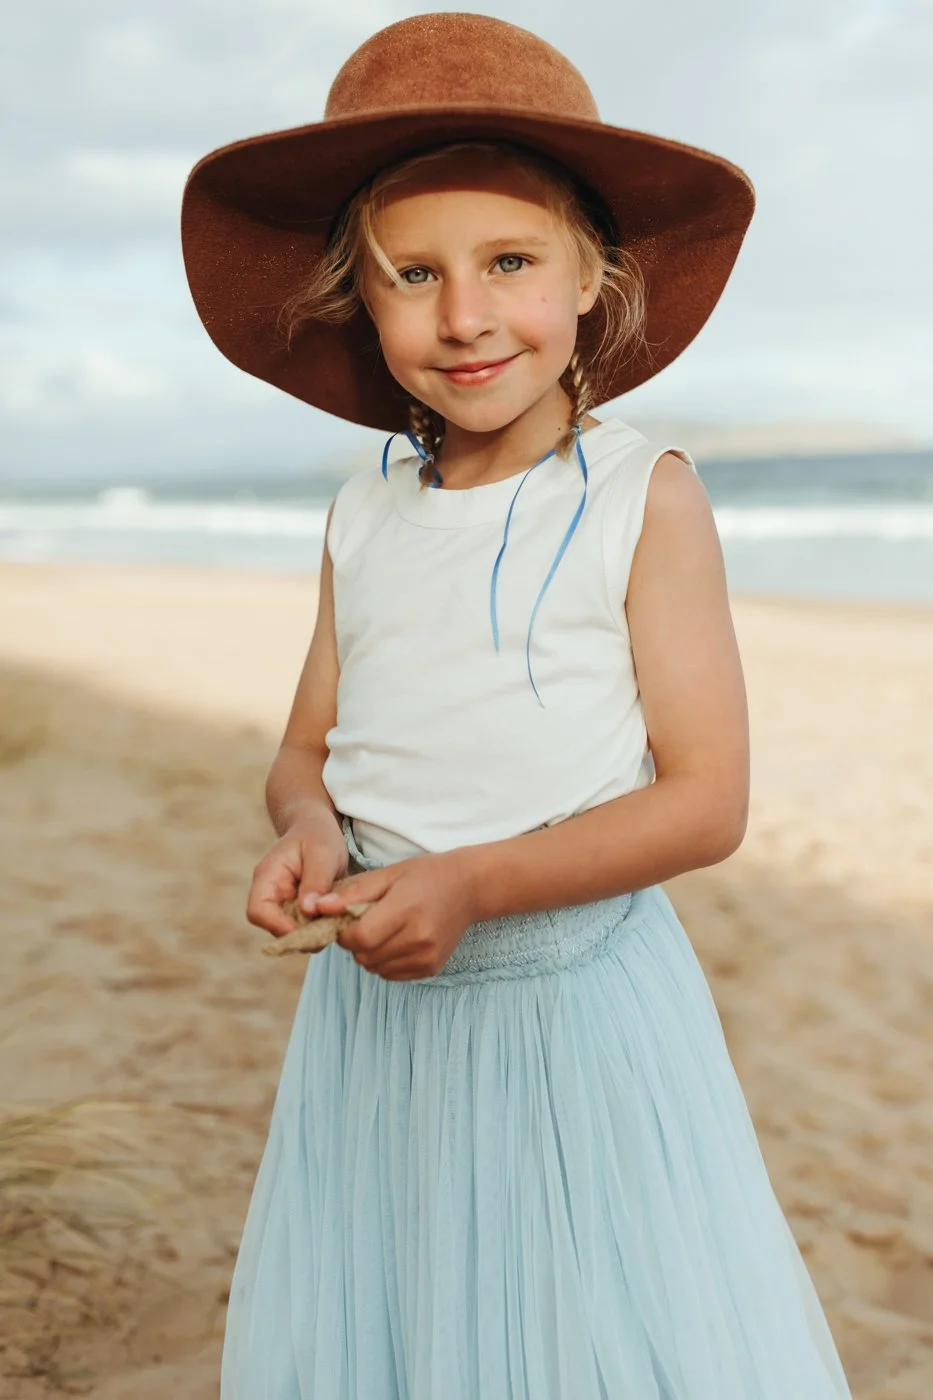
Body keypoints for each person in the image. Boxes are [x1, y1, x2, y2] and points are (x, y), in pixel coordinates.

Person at [182, 13, 854, 1398]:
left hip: (573, 1015)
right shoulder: (361, 515)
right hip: (380, 1024)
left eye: (508, 263)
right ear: (355, 303)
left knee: (583, 1320)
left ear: (592, 281)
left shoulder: (640, 496)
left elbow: (706, 801)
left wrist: (477, 883)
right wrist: (306, 831)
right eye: (412, 275)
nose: (464, 315)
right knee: (410, 1312)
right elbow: (309, 748)